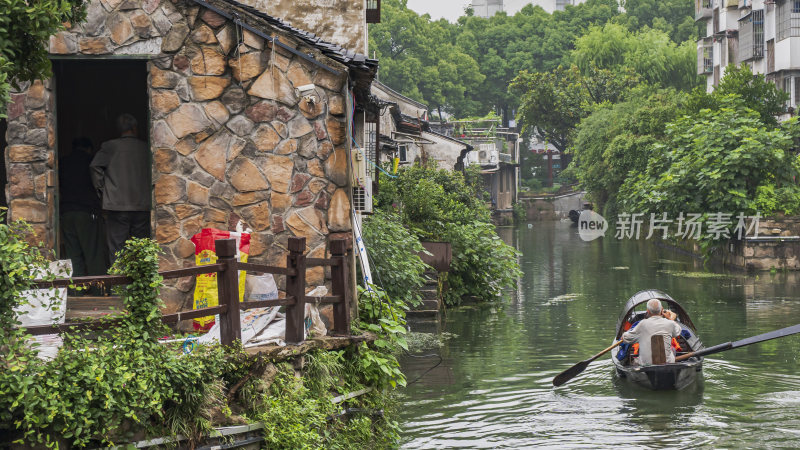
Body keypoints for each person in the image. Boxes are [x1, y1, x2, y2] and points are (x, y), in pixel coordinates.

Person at [90, 113, 151, 264]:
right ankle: (141, 286)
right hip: (142, 204)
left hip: (116, 205)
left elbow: (94, 166)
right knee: (141, 249)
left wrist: (103, 190)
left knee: (117, 250)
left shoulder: (110, 146)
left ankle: (119, 287)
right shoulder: (146, 148)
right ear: (135, 128)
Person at [59, 137, 107, 279]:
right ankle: (99, 291)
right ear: (89, 149)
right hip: (87, 212)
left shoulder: (62, 162)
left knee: (73, 255)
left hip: (66, 212)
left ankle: (75, 292)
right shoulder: (91, 161)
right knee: (93, 253)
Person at [622, 299, 681, 365]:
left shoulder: (642, 324)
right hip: (667, 363)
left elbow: (626, 338)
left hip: (646, 364)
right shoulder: (670, 323)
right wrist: (671, 319)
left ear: (648, 311)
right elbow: (677, 332)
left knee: (635, 359)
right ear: (662, 309)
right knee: (673, 349)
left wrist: (624, 335)